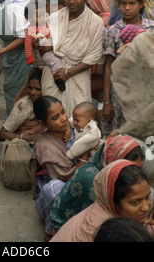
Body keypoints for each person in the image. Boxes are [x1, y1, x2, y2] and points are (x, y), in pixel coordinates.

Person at [34, 0, 104, 116]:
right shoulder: (53, 18)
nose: (72, 1)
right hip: (53, 76)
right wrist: (40, 45)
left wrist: (68, 73)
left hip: (78, 76)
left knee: (80, 120)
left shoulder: (96, 23)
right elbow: (45, 51)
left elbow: (93, 56)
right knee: (52, 117)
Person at [50, 134, 144, 234]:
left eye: (138, 169)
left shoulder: (105, 170)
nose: (136, 174)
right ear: (114, 161)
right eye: (130, 169)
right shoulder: (94, 181)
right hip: (65, 229)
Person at [51, 160, 154, 242]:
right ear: (113, 202)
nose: (146, 207)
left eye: (147, 197)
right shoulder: (105, 232)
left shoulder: (121, 218)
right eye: (135, 202)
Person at [31, 96, 88, 239]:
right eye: (56, 117)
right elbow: (69, 180)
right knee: (54, 188)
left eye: (63, 112)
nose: (63, 118)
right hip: (56, 196)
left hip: (80, 184)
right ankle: (52, 231)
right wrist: (84, 156)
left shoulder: (72, 129)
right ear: (43, 123)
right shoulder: (45, 146)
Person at [102, 0, 154, 135]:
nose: (127, 8)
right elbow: (108, 66)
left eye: (132, 3)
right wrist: (106, 101)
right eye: (123, 3)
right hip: (120, 93)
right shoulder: (112, 31)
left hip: (146, 91)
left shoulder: (150, 29)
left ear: (141, 4)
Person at [0, 67, 46, 143]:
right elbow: (2, 134)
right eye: (30, 88)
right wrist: (26, 137)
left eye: (37, 89)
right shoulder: (23, 106)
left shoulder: (49, 105)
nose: (32, 92)